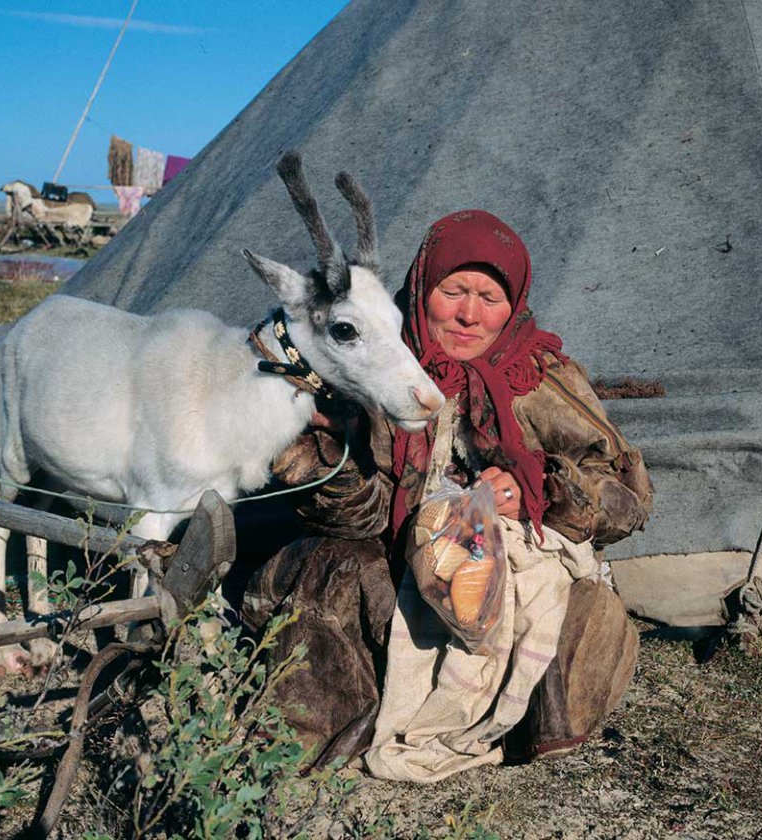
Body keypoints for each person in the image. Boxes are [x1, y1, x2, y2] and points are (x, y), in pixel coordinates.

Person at [240, 210, 652, 779]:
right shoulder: (377, 365)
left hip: (515, 568)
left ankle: (528, 727)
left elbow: (624, 495)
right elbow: (361, 518)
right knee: (331, 567)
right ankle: (309, 745)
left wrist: (539, 489)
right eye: (452, 290)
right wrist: (323, 463)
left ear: (517, 301)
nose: (468, 314)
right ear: (422, 286)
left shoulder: (542, 376)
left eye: (490, 297)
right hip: (402, 567)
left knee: (568, 606)